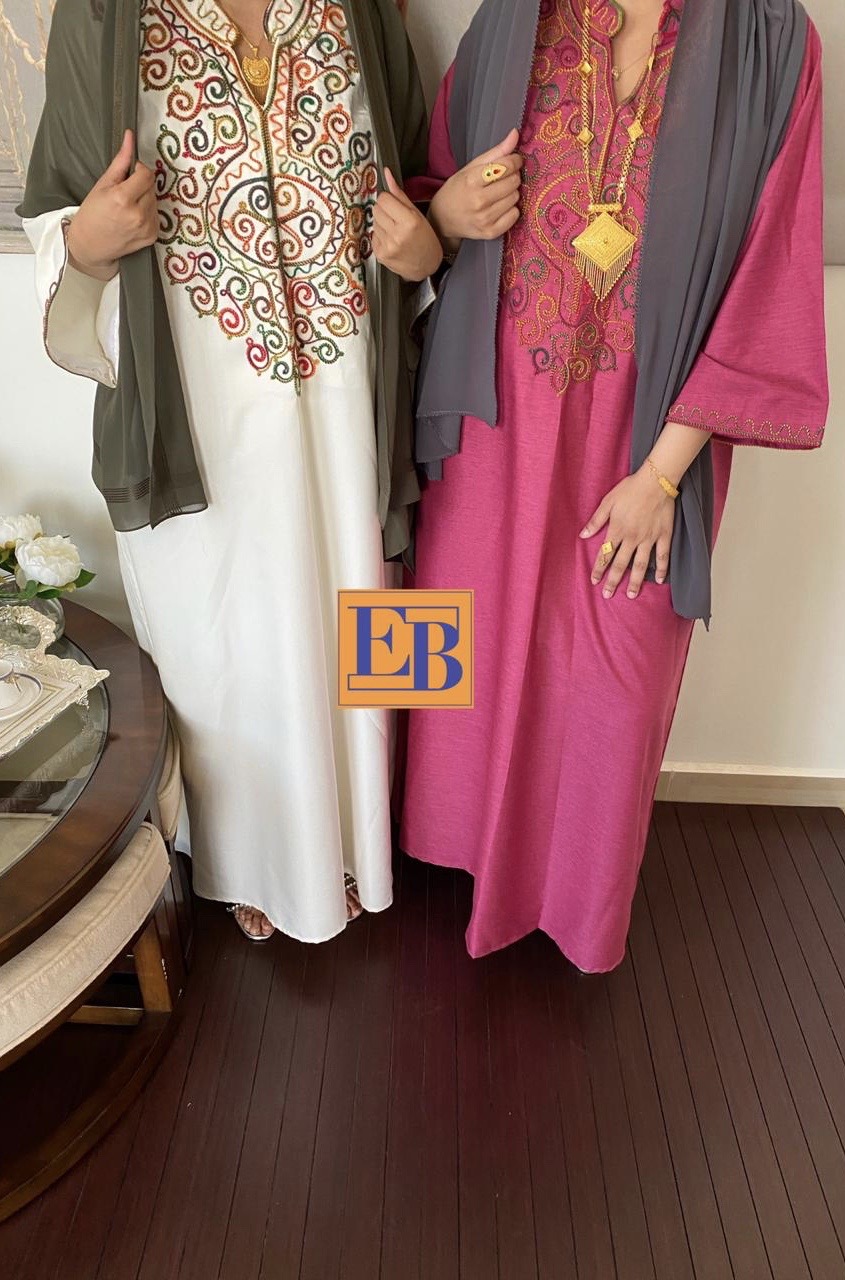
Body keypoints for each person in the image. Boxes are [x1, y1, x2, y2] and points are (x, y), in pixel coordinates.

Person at [375, 0, 829, 972]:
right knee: (450, 644)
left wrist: (662, 477)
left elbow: (769, 273)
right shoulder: (515, 19)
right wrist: (444, 216)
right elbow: (431, 201)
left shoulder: (772, 42)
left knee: (612, 679)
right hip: (482, 417)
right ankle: (434, 857)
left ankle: (572, 908)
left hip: (644, 441)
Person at [19, 0, 443, 943]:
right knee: (220, 633)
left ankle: (370, 842)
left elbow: (417, 185)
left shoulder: (360, 10)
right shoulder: (104, 14)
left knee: (365, 607)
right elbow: (58, 208)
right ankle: (243, 860)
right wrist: (86, 244)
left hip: (348, 397)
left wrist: (426, 250)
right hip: (194, 400)